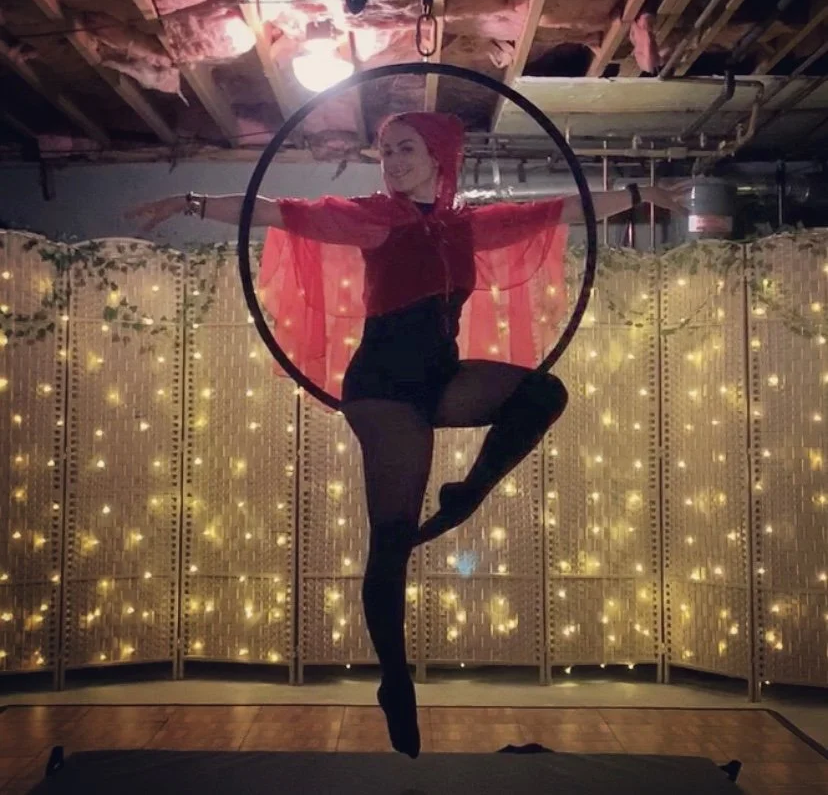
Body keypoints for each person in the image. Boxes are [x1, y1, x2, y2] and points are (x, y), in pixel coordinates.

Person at [126, 112, 685, 759]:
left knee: (542, 393)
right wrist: (190, 201)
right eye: (386, 151)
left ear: (439, 155)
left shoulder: (466, 224)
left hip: (439, 377)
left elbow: (558, 210)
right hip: (383, 389)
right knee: (392, 539)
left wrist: (640, 194)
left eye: (405, 149)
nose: (392, 161)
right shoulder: (374, 216)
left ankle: (467, 494)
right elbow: (279, 212)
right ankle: (394, 680)